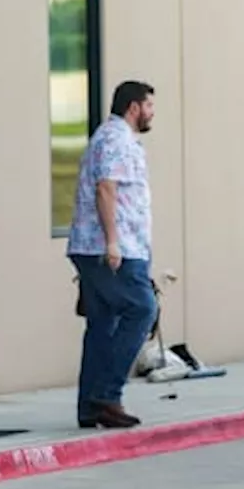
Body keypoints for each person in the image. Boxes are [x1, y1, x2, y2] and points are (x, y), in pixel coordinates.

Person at [66, 80, 159, 430]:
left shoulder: (109, 137)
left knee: (102, 325)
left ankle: (91, 406)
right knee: (143, 309)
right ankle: (107, 394)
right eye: (149, 106)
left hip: (100, 247)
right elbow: (106, 188)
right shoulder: (116, 140)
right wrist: (113, 242)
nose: (152, 113)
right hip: (112, 249)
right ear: (134, 107)